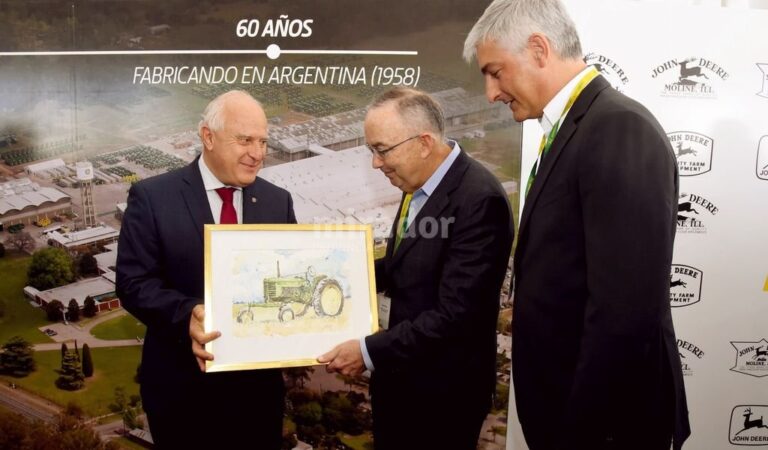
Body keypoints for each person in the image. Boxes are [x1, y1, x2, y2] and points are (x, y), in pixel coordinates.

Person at [463, 1, 691, 449]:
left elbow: (624, 314)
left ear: (538, 49)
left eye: (495, 71)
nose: (491, 93)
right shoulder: (573, 128)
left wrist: (580, 433)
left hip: (602, 426)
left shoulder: (618, 129)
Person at [318, 87, 514, 450]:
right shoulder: (418, 185)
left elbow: (456, 315)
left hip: (441, 398)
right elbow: (401, 265)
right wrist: (331, 275)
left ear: (423, 142)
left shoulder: (478, 200)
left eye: (382, 150)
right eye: (371, 151)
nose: (376, 163)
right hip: (401, 383)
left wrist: (366, 351)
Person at [116, 90, 295, 449]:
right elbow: (134, 283)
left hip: (257, 396)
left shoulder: (278, 200)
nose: (257, 153)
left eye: (262, 142)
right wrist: (188, 315)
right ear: (208, 137)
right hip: (182, 394)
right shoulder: (153, 197)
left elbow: (287, 276)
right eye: (245, 140)